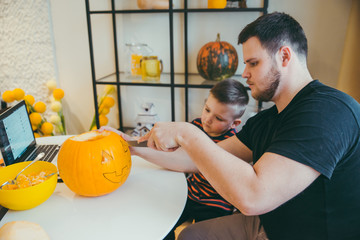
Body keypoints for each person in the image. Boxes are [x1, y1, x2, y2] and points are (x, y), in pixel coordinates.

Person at [138, 12, 360, 240]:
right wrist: (132, 147)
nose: (244, 74)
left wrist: (187, 133)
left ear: (284, 56)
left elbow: (253, 197)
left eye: (253, 63)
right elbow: (193, 159)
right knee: (188, 236)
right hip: (270, 222)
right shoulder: (266, 121)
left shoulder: (328, 111)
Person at [101, 78, 249, 240]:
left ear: (235, 123)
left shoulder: (234, 144)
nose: (207, 119)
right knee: (162, 225)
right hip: (191, 193)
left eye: (219, 118)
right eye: (207, 110)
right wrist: (128, 141)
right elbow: (166, 149)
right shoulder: (195, 127)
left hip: (216, 203)